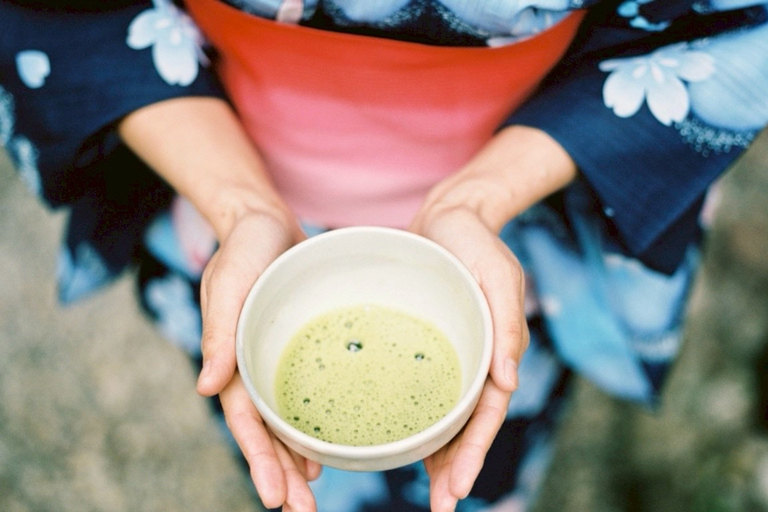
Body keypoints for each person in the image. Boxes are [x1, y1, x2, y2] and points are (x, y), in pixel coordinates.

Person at [1, 0, 766, 510]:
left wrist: (478, 199)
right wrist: (242, 206)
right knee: (277, 447)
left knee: (485, 447)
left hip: (504, 234)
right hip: (230, 209)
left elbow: (729, 24)